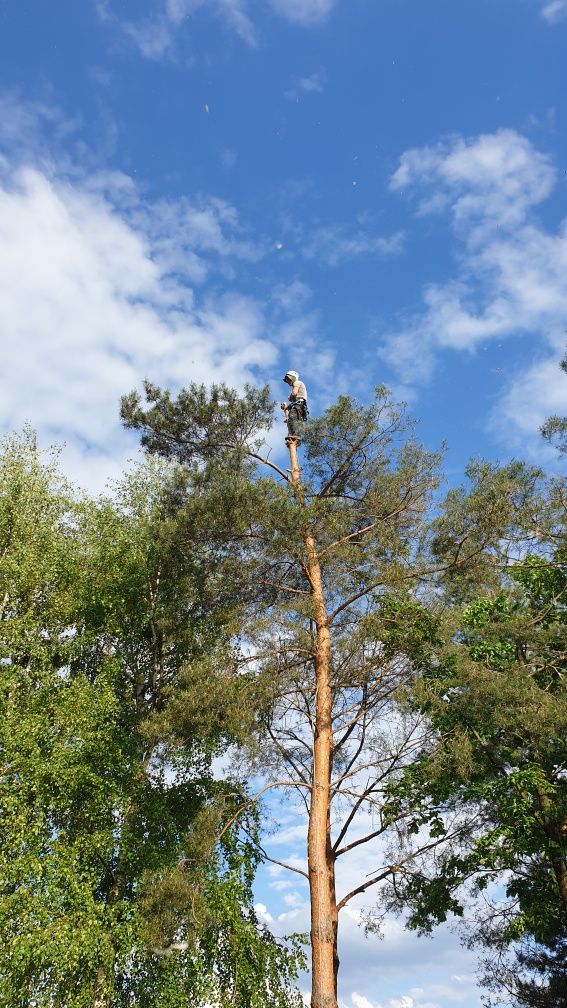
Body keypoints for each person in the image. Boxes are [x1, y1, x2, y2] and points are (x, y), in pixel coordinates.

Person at [280, 370, 308, 443]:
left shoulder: (297, 383)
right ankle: (293, 434)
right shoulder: (296, 384)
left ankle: (294, 435)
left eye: (288, 379)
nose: (288, 381)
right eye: (287, 380)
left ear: (293, 378)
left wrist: (290, 397)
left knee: (293, 417)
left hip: (299, 404)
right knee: (291, 418)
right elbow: (293, 402)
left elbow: (294, 393)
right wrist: (285, 408)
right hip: (298, 404)